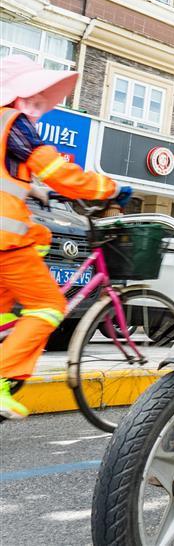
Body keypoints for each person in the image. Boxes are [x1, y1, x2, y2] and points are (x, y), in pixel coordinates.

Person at [1, 55, 132, 419]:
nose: (41, 106)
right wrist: (109, 189)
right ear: (22, 95)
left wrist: (37, 192)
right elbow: (60, 172)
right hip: (5, 242)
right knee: (48, 306)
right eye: (38, 96)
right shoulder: (14, 124)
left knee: (5, 306)